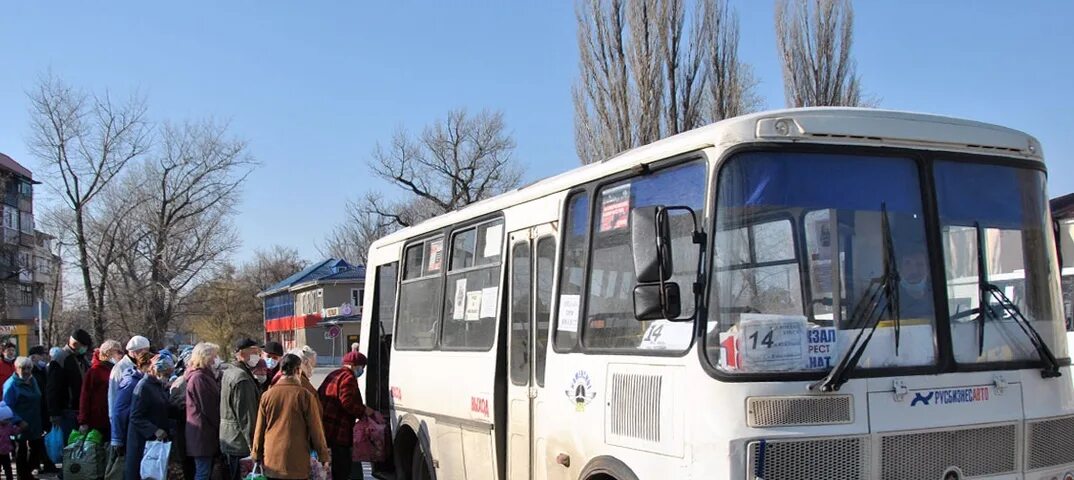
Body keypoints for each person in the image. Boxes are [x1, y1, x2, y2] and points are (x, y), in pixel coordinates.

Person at [251, 354, 329, 480]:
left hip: (272, 460)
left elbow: (259, 429)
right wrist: (323, 456)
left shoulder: (267, 395)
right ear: (298, 370)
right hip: (297, 460)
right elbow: (316, 430)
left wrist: (256, 454)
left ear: (281, 371)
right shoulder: (305, 395)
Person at [318, 351, 374, 480]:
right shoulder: (348, 377)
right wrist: (363, 411)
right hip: (340, 429)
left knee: (333, 464)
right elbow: (347, 402)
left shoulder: (334, 374)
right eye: (362, 367)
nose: (362, 370)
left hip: (327, 426)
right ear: (355, 366)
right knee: (342, 466)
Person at [126, 354, 175, 480]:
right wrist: (154, 430)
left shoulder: (158, 386)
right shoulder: (144, 387)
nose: (166, 377)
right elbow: (135, 416)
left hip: (155, 440)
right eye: (164, 373)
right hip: (142, 442)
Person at [220, 339, 263, 480]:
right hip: (240, 443)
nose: (258, 356)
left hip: (230, 437)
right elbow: (247, 416)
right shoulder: (241, 378)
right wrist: (254, 447)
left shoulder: (231, 371)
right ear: (242, 353)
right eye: (254, 352)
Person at [47, 329, 92, 442]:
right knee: (69, 445)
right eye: (83, 346)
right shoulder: (60, 358)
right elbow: (52, 388)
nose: (85, 349)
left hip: (80, 410)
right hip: (67, 410)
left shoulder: (82, 358)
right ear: (75, 344)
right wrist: (54, 413)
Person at [185, 342, 221, 480]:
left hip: (203, 432)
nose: (215, 359)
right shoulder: (199, 378)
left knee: (205, 470)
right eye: (214, 356)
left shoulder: (203, 375)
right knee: (203, 471)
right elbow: (209, 407)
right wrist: (219, 425)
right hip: (202, 433)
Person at [110, 352, 152, 462]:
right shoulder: (131, 383)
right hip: (129, 434)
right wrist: (117, 439)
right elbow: (118, 411)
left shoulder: (147, 382)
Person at [2, 358, 39, 480]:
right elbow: (8, 407)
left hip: (34, 421)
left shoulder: (33, 381)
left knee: (35, 449)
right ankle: (22, 476)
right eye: (23, 368)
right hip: (19, 424)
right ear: (17, 369)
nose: (27, 371)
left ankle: (28, 473)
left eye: (29, 368)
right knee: (21, 450)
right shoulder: (11, 384)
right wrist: (18, 421)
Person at [78, 340, 122, 439]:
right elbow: (85, 395)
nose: (121, 355)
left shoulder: (117, 369)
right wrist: (83, 420)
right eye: (118, 352)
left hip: (113, 417)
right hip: (98, 419)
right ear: (108, 352)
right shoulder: (95, 371)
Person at [27, 346, 55, 474]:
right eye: (41, 354)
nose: (44, 357)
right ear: (33, 357)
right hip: (34, 411)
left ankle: (39, 464)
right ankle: (38, 464)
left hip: (43, 409)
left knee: (39, 439)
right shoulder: (30, 373)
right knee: (35, 440)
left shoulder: (43, 370)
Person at [109, 335, 150, 413]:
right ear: (134, 352)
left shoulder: (142, 365)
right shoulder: (120, 368)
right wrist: (113, 416)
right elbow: (113, 394)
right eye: (144, 351)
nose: (147, 354)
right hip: (124, 412)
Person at [0, 403, 20, 480]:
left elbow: (15, 431)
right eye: (6, 419)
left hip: (6, 451)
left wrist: (20, 429)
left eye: (9, 419)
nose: (8, 421)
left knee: (8, 467)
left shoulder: (9, 425)